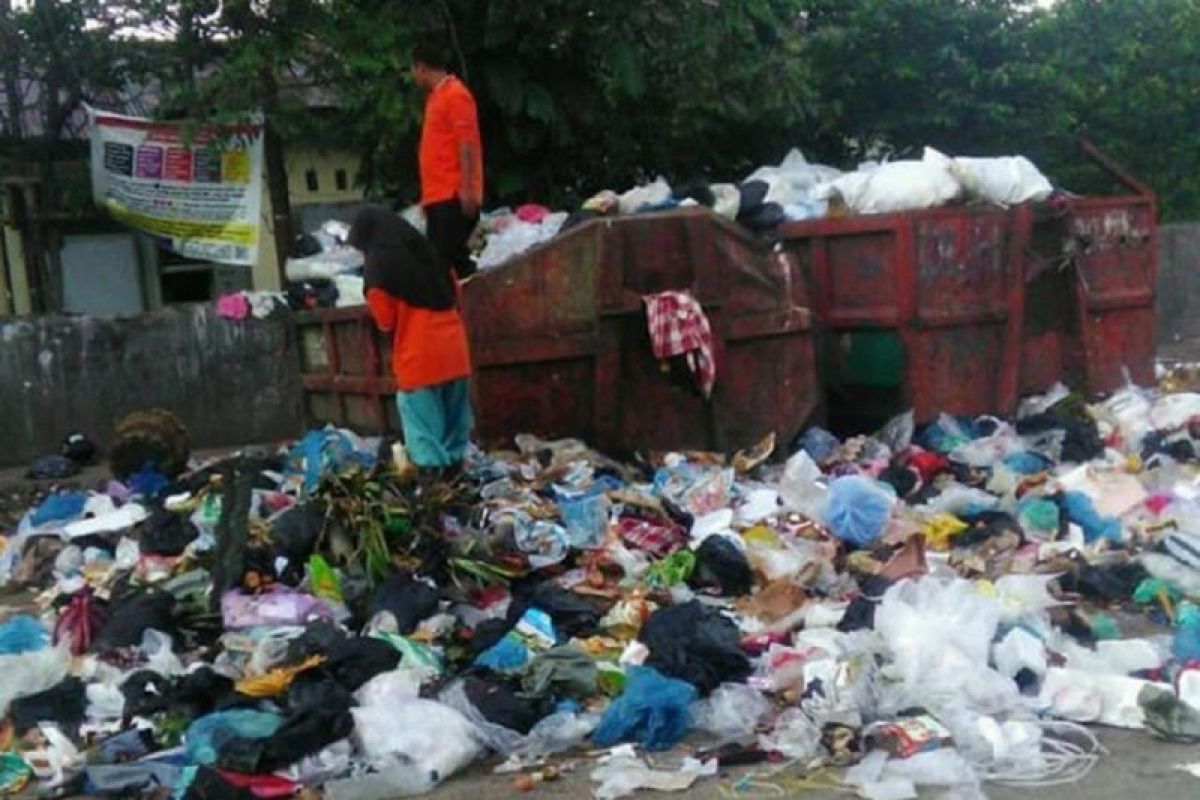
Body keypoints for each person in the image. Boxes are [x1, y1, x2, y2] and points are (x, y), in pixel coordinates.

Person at [348, 205, 472, 475]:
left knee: (424, 430)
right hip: (455, 353)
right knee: (454, 427)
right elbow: (457, 296)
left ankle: (435, 494)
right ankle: (458, 484)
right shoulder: (431, 253)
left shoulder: (378, 270)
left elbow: (385, 321)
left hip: (419, 359)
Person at [412, 41, 483, 279]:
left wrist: (466, 188)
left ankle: (455, 311)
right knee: (448, 262)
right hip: (438, 195)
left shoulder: (456, 95)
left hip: (452, 194)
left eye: (414, 70)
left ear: (421, 67)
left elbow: (466, 144)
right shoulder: (436, 98)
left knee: (442, 264)